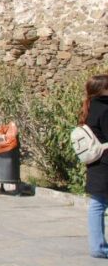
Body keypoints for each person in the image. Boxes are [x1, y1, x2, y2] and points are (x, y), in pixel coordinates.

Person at [81, 74, 108, 258]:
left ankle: (98, 246)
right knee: (98, 204)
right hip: (105, 163)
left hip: (97, 163)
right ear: (102, 89)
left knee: (97, 203)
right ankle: (98, 247)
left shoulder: (91, 106)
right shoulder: (104, 109)